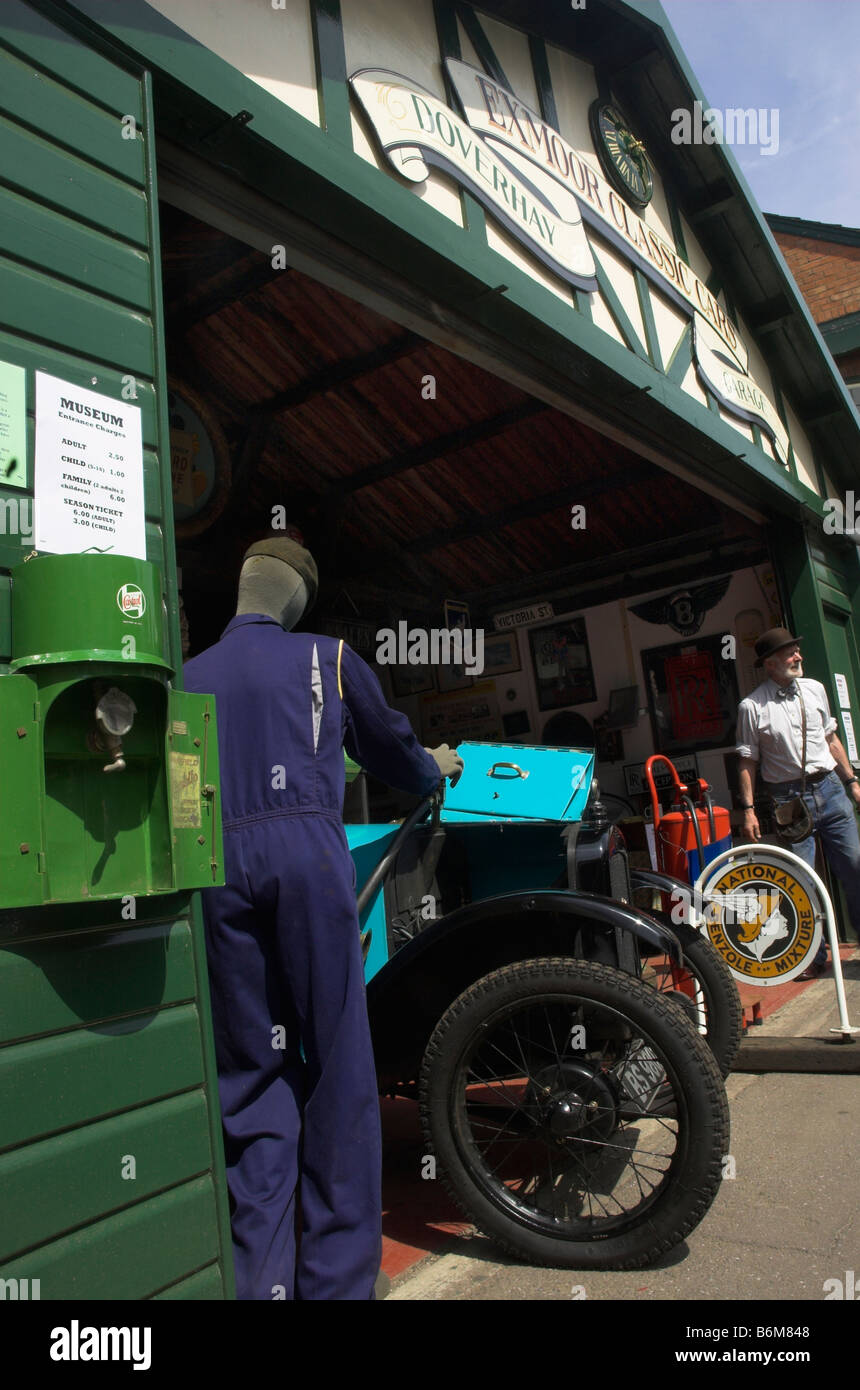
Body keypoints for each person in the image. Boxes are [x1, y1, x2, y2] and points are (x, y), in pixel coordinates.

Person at [184, 537, 463, 1300]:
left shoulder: (183, 677)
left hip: (213, 870)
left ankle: (258, 1281)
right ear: (298, 597)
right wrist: (433, 766)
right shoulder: (327, 659)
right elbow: (393, 752)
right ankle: (337, 1283)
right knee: (338, 1066)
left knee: (251, 1074)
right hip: (304, 857)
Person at [735, 627, 860, 979]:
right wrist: (747, 810)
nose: (798, 657)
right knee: (801, 882)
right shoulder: (752, 706)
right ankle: (811, 957)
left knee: (854, 867)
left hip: (831, 789)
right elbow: (747, 761)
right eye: (791, 653)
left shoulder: (815, 689)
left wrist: (851, 781)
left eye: (796, 651)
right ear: (770, 663)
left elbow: (831, 738)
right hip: (788, 799)